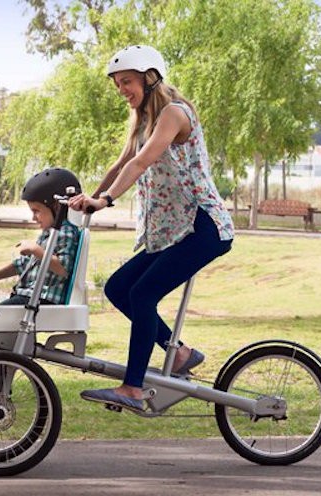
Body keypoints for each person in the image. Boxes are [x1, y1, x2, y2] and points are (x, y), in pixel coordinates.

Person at [69, 45, 235, 412]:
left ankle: (133, 387)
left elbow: (144, 161)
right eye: (117, 85)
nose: (122, 90)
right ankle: (181, 354)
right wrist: (90, 199)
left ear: (150, 77)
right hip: (173, 230)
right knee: (118, 288)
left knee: (142, 295)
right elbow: (122, 162)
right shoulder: (143, 120)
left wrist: (107, 201)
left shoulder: (174, 114)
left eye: (126, 82)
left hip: (202, 225)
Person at [0, 168, 81, 306]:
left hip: (42, 300)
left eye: (36, 211)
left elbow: (63, 269)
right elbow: (21, 265)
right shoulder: (48, 234)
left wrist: (36, 250)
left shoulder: (66, 232)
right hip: (29, 297)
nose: (33, 217)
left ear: (57, 207)